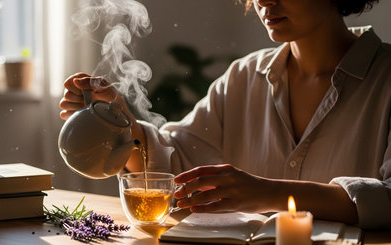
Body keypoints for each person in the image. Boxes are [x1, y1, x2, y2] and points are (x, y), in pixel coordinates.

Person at [59, 0, 391, 229]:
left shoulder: (385, 79)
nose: (264, 1)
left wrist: (266, 193)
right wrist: (121, 124)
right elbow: (176, 170)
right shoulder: (243, 77)